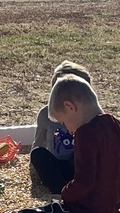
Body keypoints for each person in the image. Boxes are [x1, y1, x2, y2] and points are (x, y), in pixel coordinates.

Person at [0, 74, 120, 213]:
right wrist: (112, 183)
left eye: (63, 121)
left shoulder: (86, 132)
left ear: (70, 107)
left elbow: (84, 181)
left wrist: (65, 194)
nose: (67, 128)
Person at [29, 60, 87, 194]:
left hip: (80, 166)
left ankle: (75, 188)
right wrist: (34, 172)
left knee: (76, 154)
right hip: (57, 165)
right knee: (38, 153)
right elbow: (39, 142)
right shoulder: (46, 113)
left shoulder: (86, 113)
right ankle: (61, 190)